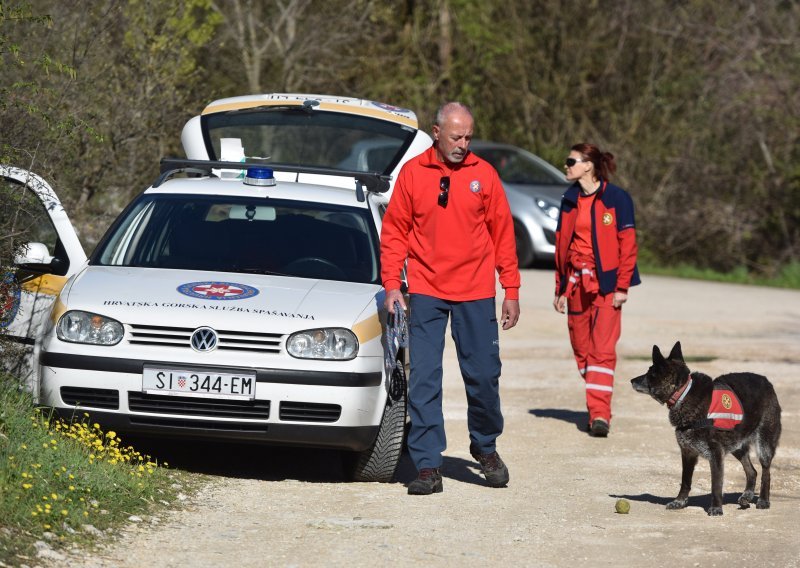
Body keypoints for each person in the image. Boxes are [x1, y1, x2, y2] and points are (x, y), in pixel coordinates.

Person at [380, 102, 521, 495]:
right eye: (456, 136)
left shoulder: (484, 175)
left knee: (484, 377)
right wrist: (393, 284)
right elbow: (394, 232)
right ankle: (427, 465)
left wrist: (511, 289)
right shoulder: (412, 174)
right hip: (425, 290)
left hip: (475, 291)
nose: (463, 144)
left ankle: (485, 445)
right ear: (436, 133)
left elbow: (503, 234)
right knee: (424, 379)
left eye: (469, 137)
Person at [553, 143, 640, 437]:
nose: (566, 166)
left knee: (602, 351)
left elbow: (628, 246)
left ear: (588, 165)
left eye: (571, 161)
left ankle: (599, 415)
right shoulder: (568, 199)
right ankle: (596, 395)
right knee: (582, 350)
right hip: (576, 284)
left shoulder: (617, 198)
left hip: (606, 286)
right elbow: (561, 246)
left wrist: (622, 286)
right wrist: (560, 287)